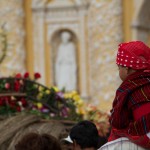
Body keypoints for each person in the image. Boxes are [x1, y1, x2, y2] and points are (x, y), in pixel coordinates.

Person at [99, 41, 150, 150]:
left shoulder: (136, 90)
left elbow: (143, 128)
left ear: (127, 69)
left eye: (119, 68)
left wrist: (125, 133)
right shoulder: (143, 83)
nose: (119, 71)